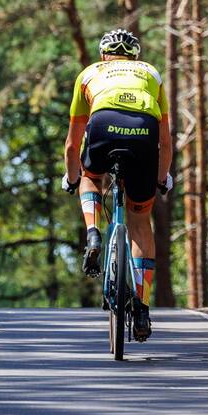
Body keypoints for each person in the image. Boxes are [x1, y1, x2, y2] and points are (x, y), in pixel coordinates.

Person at [61, 29, 173, 340]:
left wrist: (72, 179)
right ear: (135, 56)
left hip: (102, 123)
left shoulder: (89, 74)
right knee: (139, 219)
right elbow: (165, 140)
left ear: (104, 55)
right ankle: (142, 308)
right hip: (143, 132)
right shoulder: (150, 72)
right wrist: (162, 179)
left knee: (90, 177)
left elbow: (72, 144)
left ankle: (93, 233)